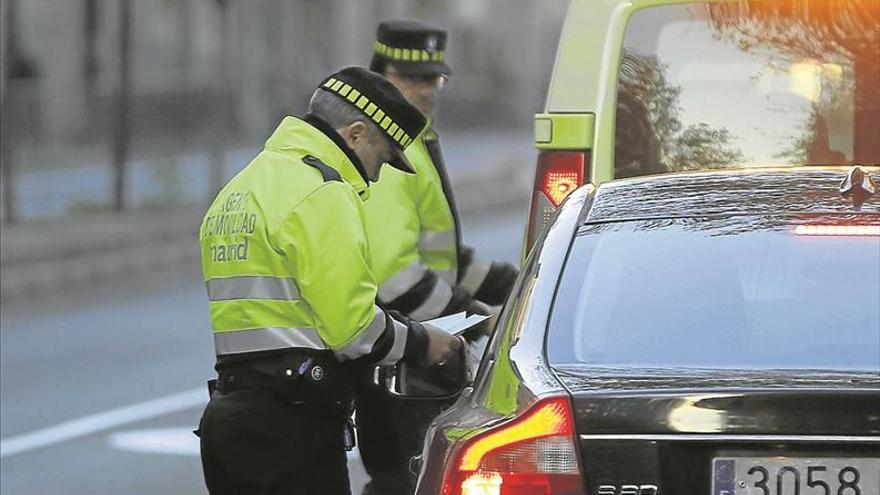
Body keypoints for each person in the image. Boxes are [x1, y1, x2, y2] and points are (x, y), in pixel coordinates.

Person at [196, 66, 462, 495]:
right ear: (356, 134)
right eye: (382, 158)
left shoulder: (241, 188)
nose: (376, 176)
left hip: (228, 422)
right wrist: (425, 343)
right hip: (292, 427)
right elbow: (354, 330)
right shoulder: (321, 191)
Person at [356, 20, 520, 495]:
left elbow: (442, 255)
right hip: (402, 351)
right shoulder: (385, 148)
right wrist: (473, 320)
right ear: (381, 77)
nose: (427, 89)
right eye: (413, 78)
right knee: (407, 479)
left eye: (434, 78)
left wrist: (519, 284)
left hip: (419, 348)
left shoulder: (416, 140)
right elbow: (392, 273)